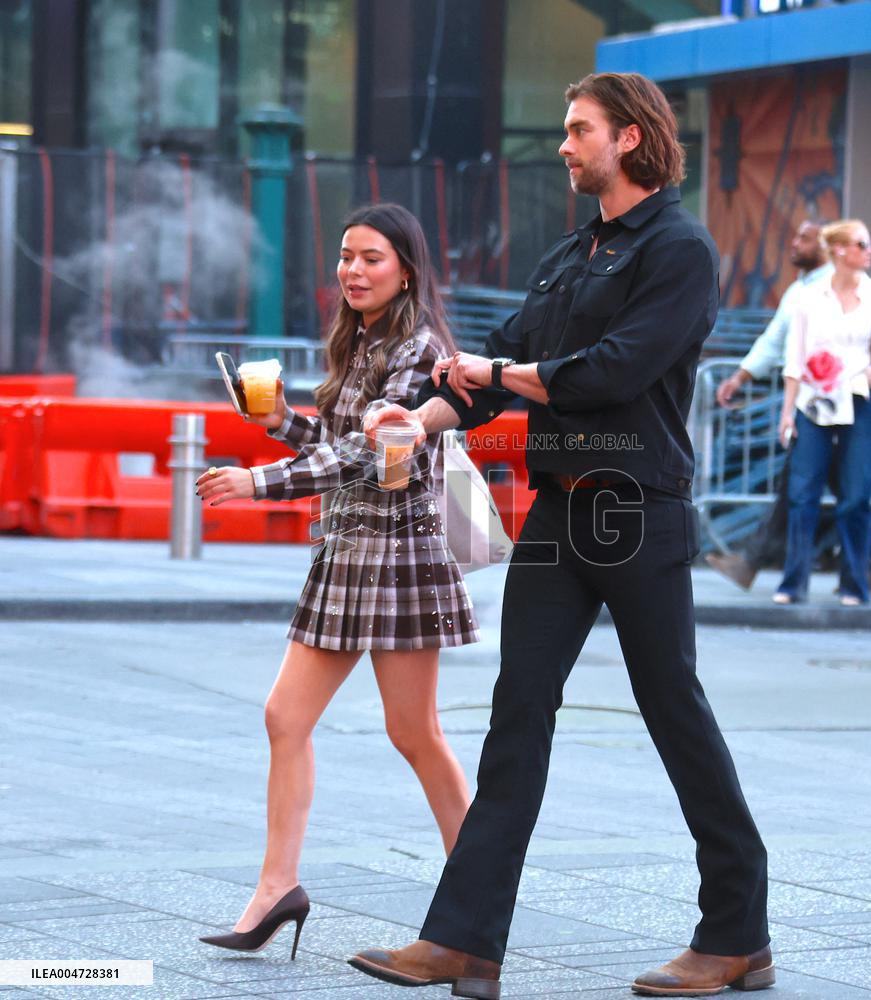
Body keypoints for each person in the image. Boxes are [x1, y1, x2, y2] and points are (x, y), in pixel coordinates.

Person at [349, 72, 772, 1000]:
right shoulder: (573, 251)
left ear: (629, 139)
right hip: (559, 512)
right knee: (516, 715)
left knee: (674, 714)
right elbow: (495, 366)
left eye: (578, 130)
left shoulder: (681, 251)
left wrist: (501, 366)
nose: (565, 145)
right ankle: (465, 940)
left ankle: (737, 932)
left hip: (638, 510)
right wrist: (419, 418)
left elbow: (610, 373)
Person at [194, 203, 480, 959]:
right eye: (346, 257)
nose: (352, 270)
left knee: (415, 733)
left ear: (407, 270)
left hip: (399, 556)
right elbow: (337, 442)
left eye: (371, 259)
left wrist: (260, 482)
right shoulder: (363, 341)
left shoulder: (421, 351)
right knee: (285, 717)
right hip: (348, 553)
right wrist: (281, 420)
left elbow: (369, 453)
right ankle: (275, 888)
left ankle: (479, 890)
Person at [775, 219, 871, 606]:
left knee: (856, 494)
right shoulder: (808, 299)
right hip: (812, 403)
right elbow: (794, 361)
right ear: (841, 250)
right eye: (863, 244)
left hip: (860, 399)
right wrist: (785, 414)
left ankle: (855, 584)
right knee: (802, 493)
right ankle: (793, 582)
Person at [706, 220, 832, 589]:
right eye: (795, 236)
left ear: (826, 246)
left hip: (831, 404)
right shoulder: (799, 289)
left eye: (805, 239)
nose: (795, 244)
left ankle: (756, 562)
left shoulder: (833, 288)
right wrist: (740, 377)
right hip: (809, 404)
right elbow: (774, 339)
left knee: (821, 487)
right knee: (811, 485)